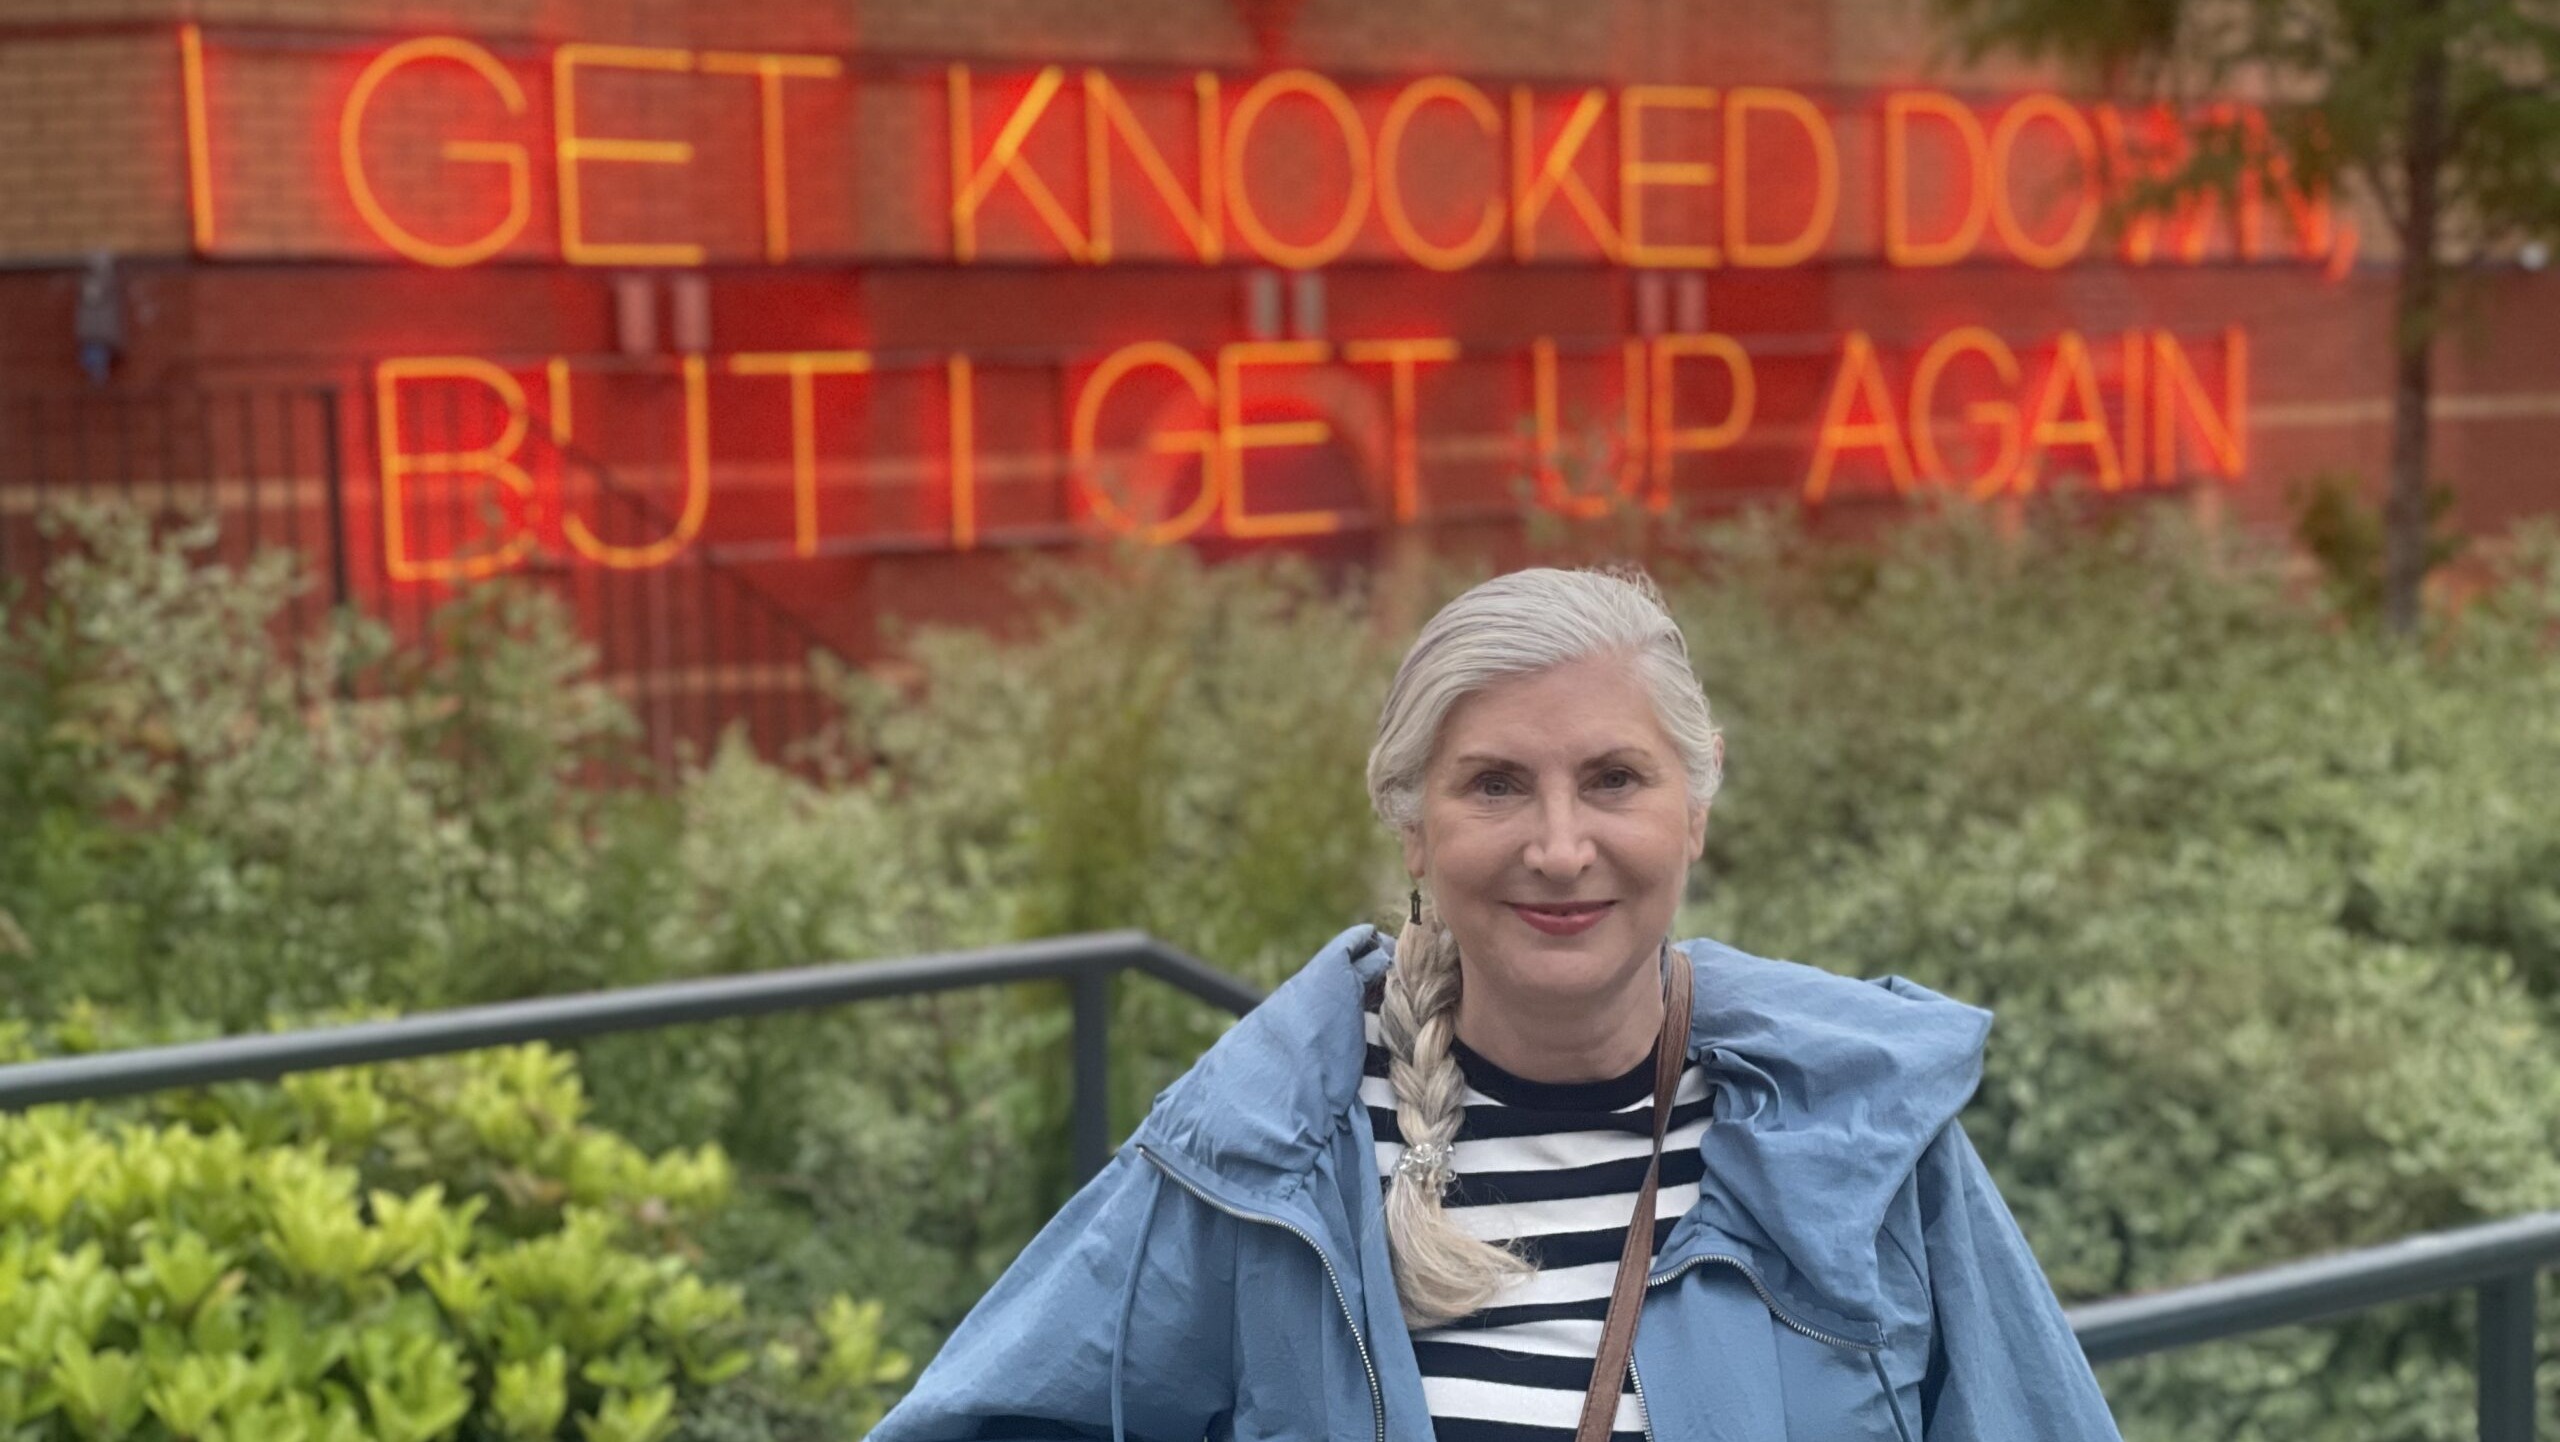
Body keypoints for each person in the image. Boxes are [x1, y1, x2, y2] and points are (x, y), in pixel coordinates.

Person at [870, 566, 2122, 1442]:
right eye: (1496, 785)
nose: (1561, 845)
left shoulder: (1862, 1136)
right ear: (1414, 828)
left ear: (1695, 804)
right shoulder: (1265, 1150)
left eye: (1614, 778)